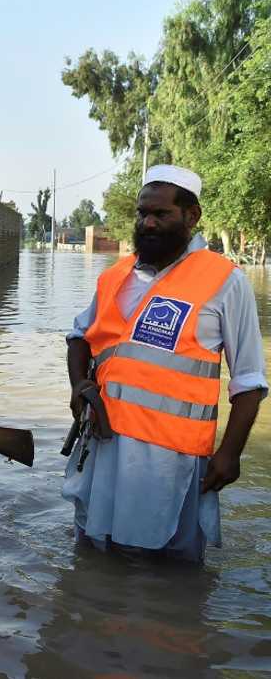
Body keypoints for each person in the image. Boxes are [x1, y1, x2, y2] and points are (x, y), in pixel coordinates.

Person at [64, 164, 267, 561]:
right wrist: (78, 385)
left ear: (191, 217)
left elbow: (249, 381)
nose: (148, 223)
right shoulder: (116, 275)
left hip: (172, 458)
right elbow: (80, 337)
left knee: (166, 567)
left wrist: (230, 453)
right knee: (94, 555)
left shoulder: (226, 280)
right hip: (104, 446)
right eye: (143, 213)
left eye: (161, 214)